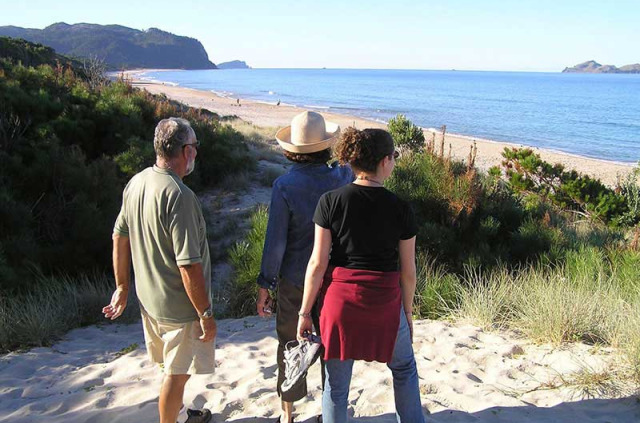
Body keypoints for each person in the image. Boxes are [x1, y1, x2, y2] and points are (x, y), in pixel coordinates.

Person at [297, 128, 425, 423]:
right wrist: (407, 312)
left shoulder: (330, 201)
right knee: (404, 369)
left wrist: (305, 312)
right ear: (384, 161)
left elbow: (317, 263)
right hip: (385, 305)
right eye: (393, 157)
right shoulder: (401, 208)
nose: (393, 162)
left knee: (336, 388)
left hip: (339, 307)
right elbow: (408, 273)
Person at [103, 117, 215, 423]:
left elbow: (119, 234)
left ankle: (178, 413)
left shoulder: (137, 182)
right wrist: (205, 314)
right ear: (186, 151)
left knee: (170, 368)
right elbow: (188, 264)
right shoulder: (180, 196)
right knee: (176, 375)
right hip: (179, 307)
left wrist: (123, 286)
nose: (195, 153)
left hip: (149, 300)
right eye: (194, 146)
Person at [256, 111, 354, 423]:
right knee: (332, 349)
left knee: (290, 344)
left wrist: (264, 284)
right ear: (326, 145)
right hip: (335, 278)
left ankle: (288, 414)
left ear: (292, 150)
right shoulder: (343, 177)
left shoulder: (284, 185)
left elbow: (276, 243)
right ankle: (332, 411)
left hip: (296, 280)